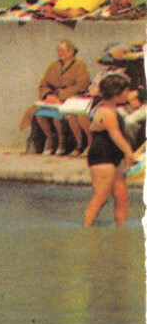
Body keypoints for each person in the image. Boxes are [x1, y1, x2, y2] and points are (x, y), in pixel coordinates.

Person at [83, 76, 139, 227]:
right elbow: (116, 136)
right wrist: (131, 154)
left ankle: (120, 231)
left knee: (122, 196)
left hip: (114, 156)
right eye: (126, 91)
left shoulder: (111, 107)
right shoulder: (105, 111)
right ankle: (86, 230)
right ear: (116, 93)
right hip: (102, 156)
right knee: (101, 196)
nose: (129, 93)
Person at [28, 40, 92, 155]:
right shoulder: (53, 66)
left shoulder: (80, 65)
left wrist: (60, 95)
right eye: (59, 50)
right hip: (52, 100)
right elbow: (43, 84)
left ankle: (62, 142)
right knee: (38, 115)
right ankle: (51, 141)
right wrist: (48, 95)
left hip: (69, 99)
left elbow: (82, 85)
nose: (60, 53)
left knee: (58, 117)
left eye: (64, 50)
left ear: (71, 51)